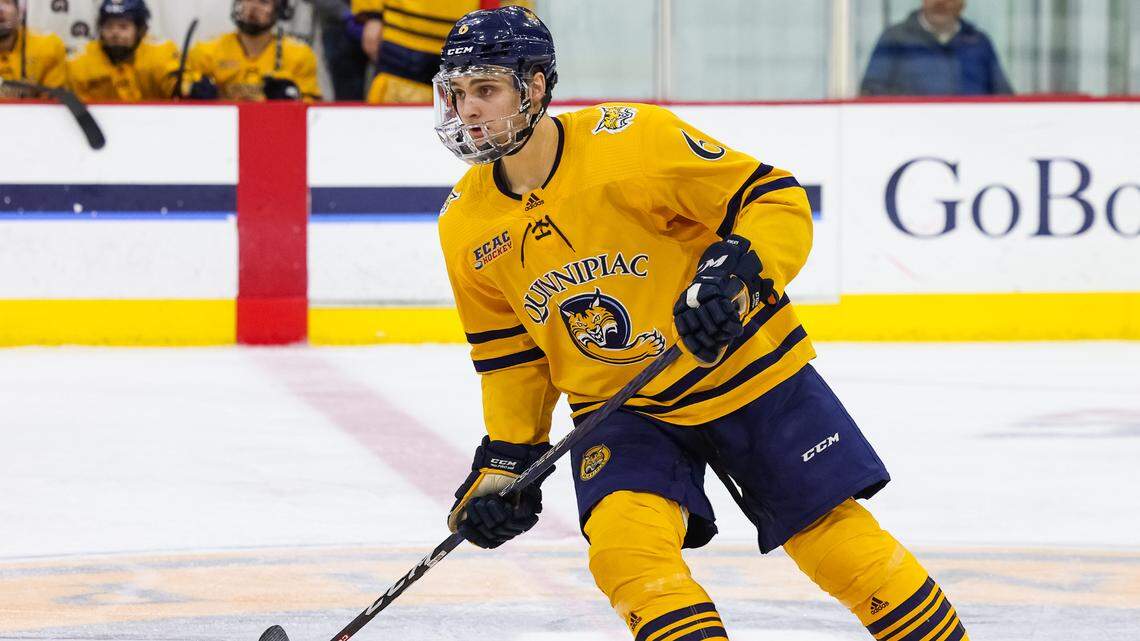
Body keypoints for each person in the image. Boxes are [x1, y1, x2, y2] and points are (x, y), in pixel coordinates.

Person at [436, 7, 971, 641]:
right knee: (625, 553)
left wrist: (736, 274)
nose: (469, 110)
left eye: (487, 89)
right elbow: (510, 358)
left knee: (834, 541)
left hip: (748, 372)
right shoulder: (465, 225)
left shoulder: (632, 140)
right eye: (458, 91)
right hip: (624, 409)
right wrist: (506, 461)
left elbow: (772, 197)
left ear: (538, 86)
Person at [349, 0, 530, 104]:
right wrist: (372, 14)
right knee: (391, 130)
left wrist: (512, 22)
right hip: (402, 31)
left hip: (469, 36)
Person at [861, 0, 1011, 96]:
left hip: (971, 136)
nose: (941, 2)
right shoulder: (895, 39)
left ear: (962, 4)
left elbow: (1005, 97)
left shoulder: (979, 43)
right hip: (910, 137)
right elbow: (870, 93)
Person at [184, 0, 320, 102]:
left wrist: (292, 97)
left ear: (279, 9)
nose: (253, 7)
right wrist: (194, 89)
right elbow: (182, 95)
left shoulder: (299, 55)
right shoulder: (206, 52)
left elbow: (312, 109)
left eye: (263, 2)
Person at [67, 0, 180, 102]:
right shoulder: (81, 59)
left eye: (123, 27)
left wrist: (187, 88)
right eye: (108, 26)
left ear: (141, 30)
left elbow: (179, 89)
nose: (115, 33)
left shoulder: (160, 53)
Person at [0, 0, 67, 98]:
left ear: (20, 12)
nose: (0, 9)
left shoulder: (47, 46)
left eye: (6, 2)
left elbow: (53, 104)